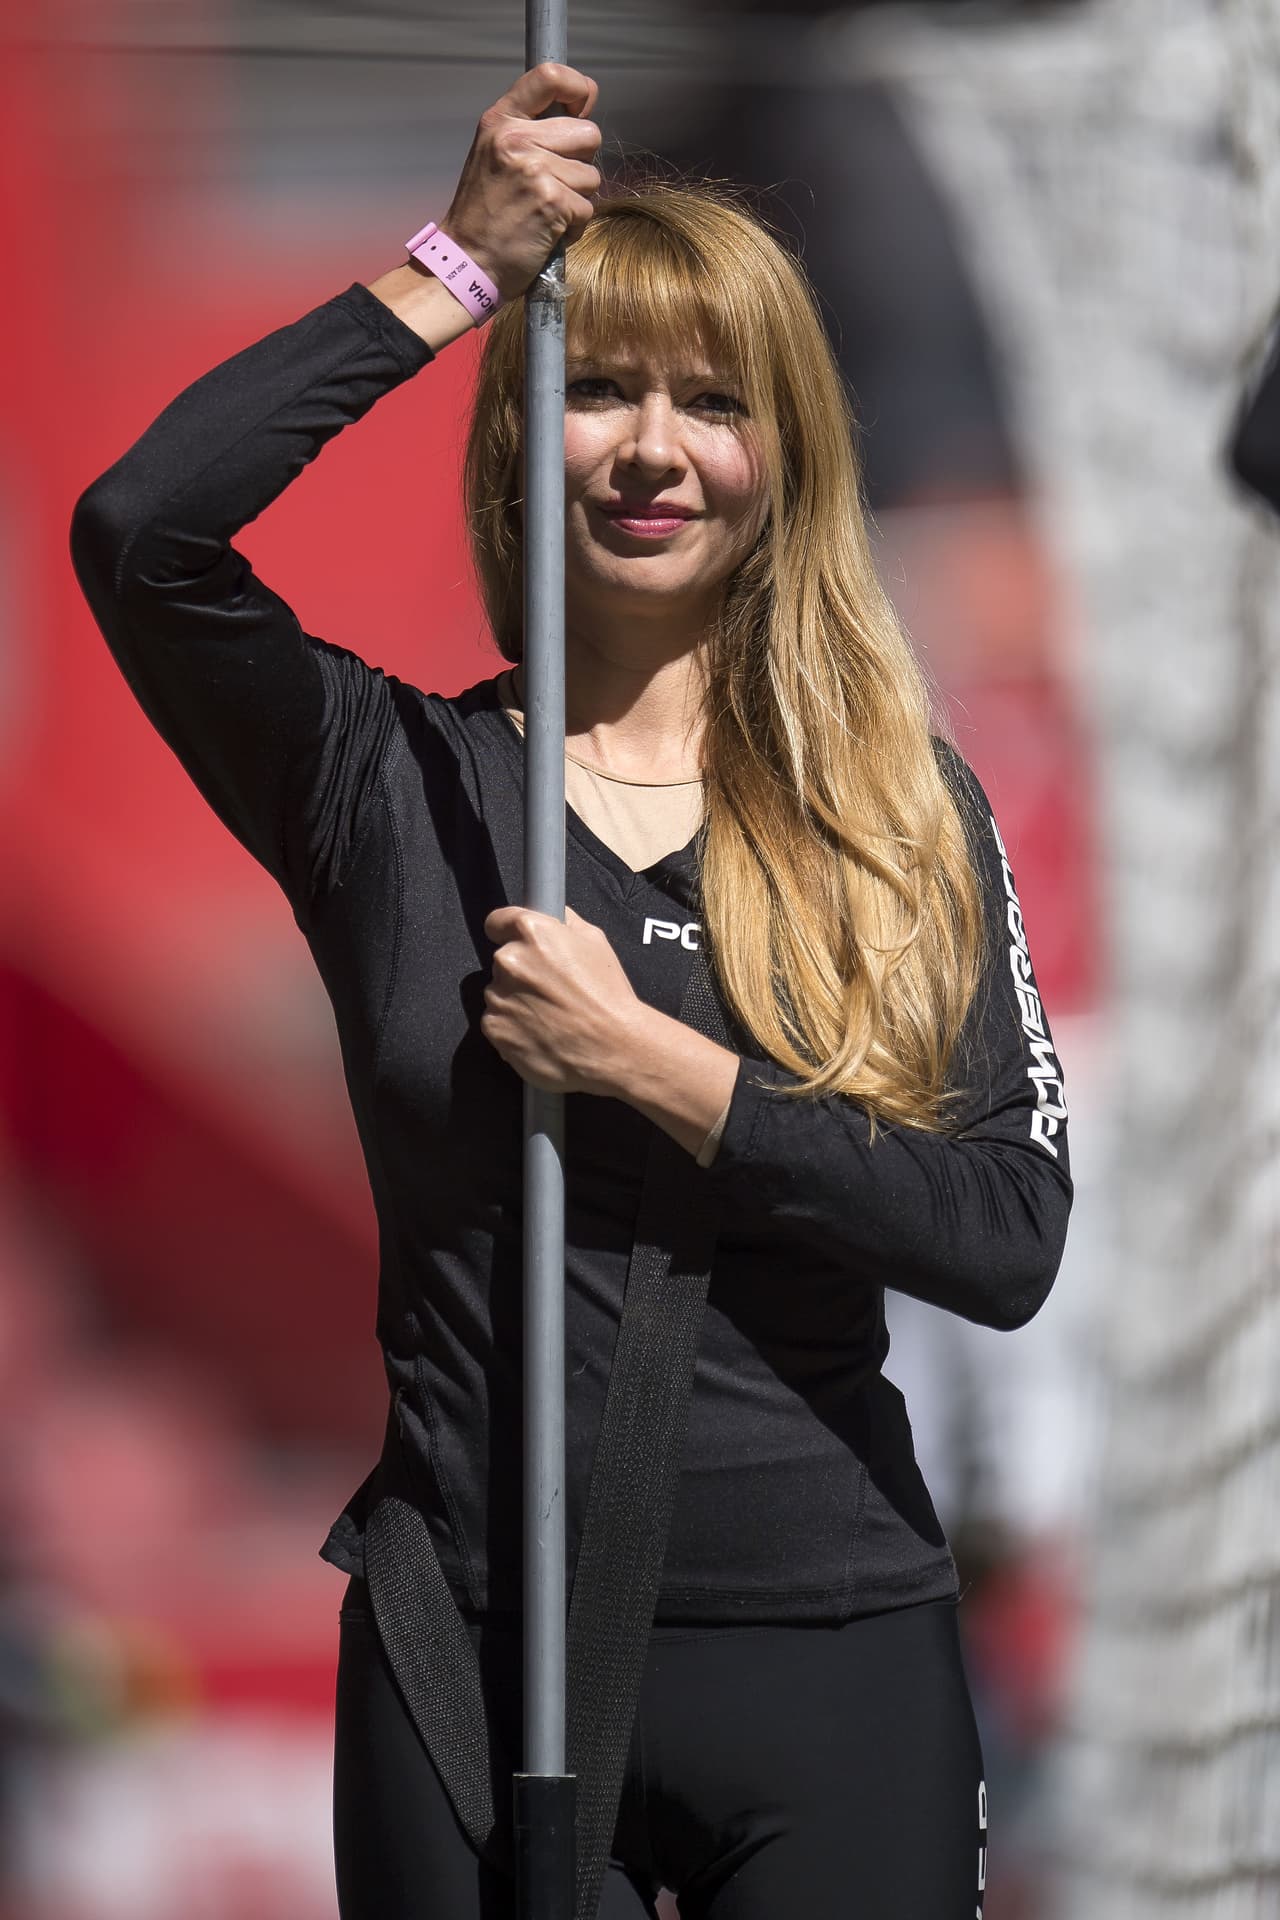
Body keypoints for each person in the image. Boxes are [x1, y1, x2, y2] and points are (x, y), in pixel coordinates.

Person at [70, 60, 1072, 1920]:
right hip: (475, 1652)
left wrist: (654, 1067)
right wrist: (460, 266)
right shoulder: (388, 784)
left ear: (786, 459)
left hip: (830, 1648)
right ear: (523, 436)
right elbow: (146, 532)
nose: (650, 448)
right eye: (597, 387)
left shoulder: (897, 808)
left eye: (713, 403)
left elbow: (1008, 1237)